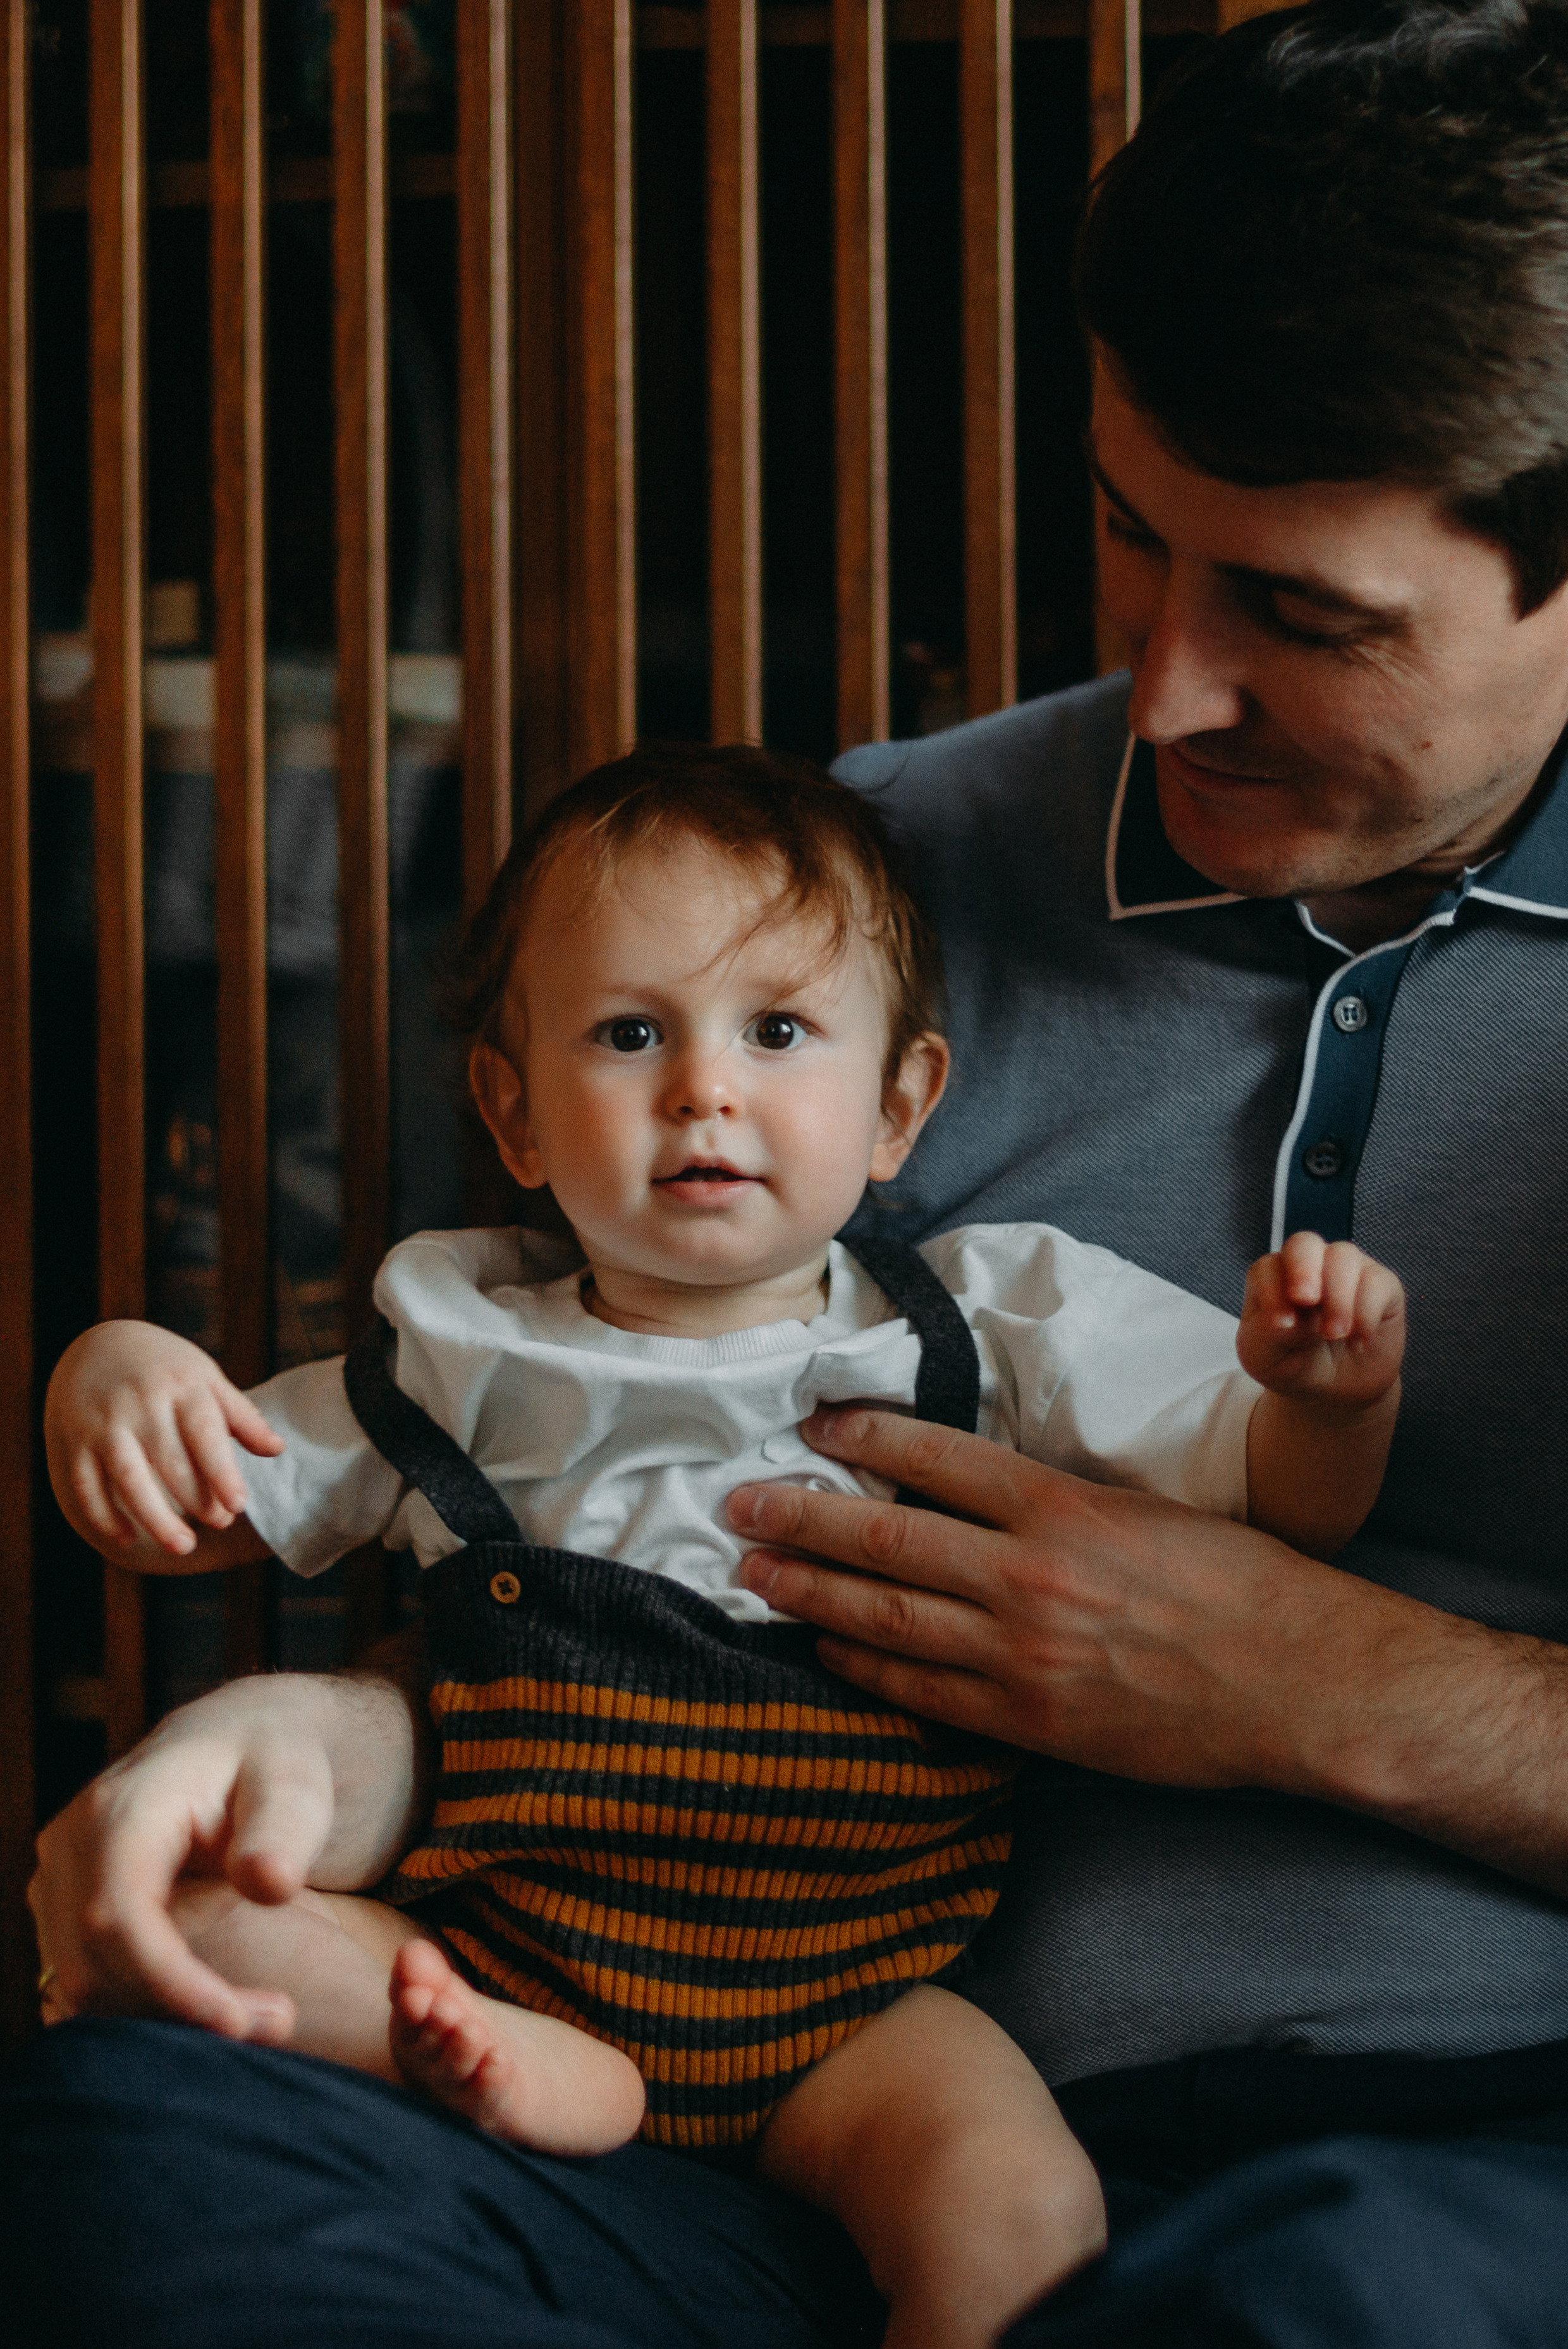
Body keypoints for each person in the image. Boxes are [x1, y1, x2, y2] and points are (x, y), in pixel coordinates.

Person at [11, 2, 1568, 2341]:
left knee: (1343, 2304)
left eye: (1303, 617)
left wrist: (1321, 1679)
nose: (1160, 692)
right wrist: (266, 1774)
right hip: (709, 2122)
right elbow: (545, 1521)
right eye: (1136, 541)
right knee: (120, 2165)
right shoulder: (829, 904)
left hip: (1475, 2133)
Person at [39, 745, 1404, 2349]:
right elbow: (200, 1514)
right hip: (500, 1946)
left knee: (1023, 2212)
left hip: (854, 2003)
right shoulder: (460, 1347)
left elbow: (1282, 1499)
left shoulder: (990, 1325)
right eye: (630, 1035)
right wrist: (115, 1375)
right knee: (184, 1925)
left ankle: (569, 2095)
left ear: (899, 1104)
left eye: (777, 1032)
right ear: (514, 1111)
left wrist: (1330, 1396)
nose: (704, 1089)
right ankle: (530, 2067)